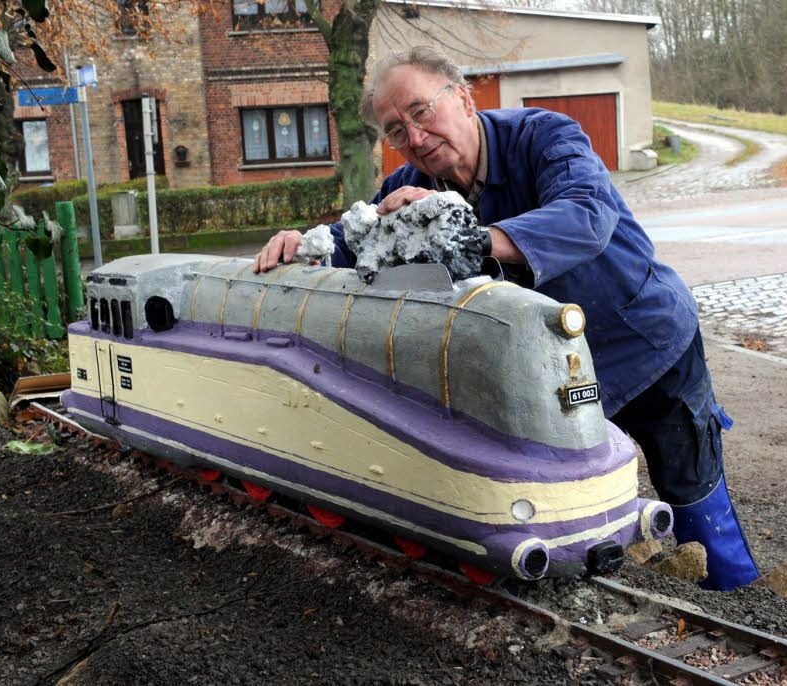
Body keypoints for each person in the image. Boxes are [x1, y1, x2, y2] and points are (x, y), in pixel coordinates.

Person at [253, 46, 759, 591]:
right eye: (396, 129)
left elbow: (586, 211)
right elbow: (365, 242)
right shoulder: (410, 185)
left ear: (465, 99)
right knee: (557, 483)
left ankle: (737, 599)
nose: (415, 138)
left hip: (644, 337)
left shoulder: (547, 137)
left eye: (422, 112)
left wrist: (474, 240)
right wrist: (306, 245)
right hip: (554, 365)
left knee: (691, 488)